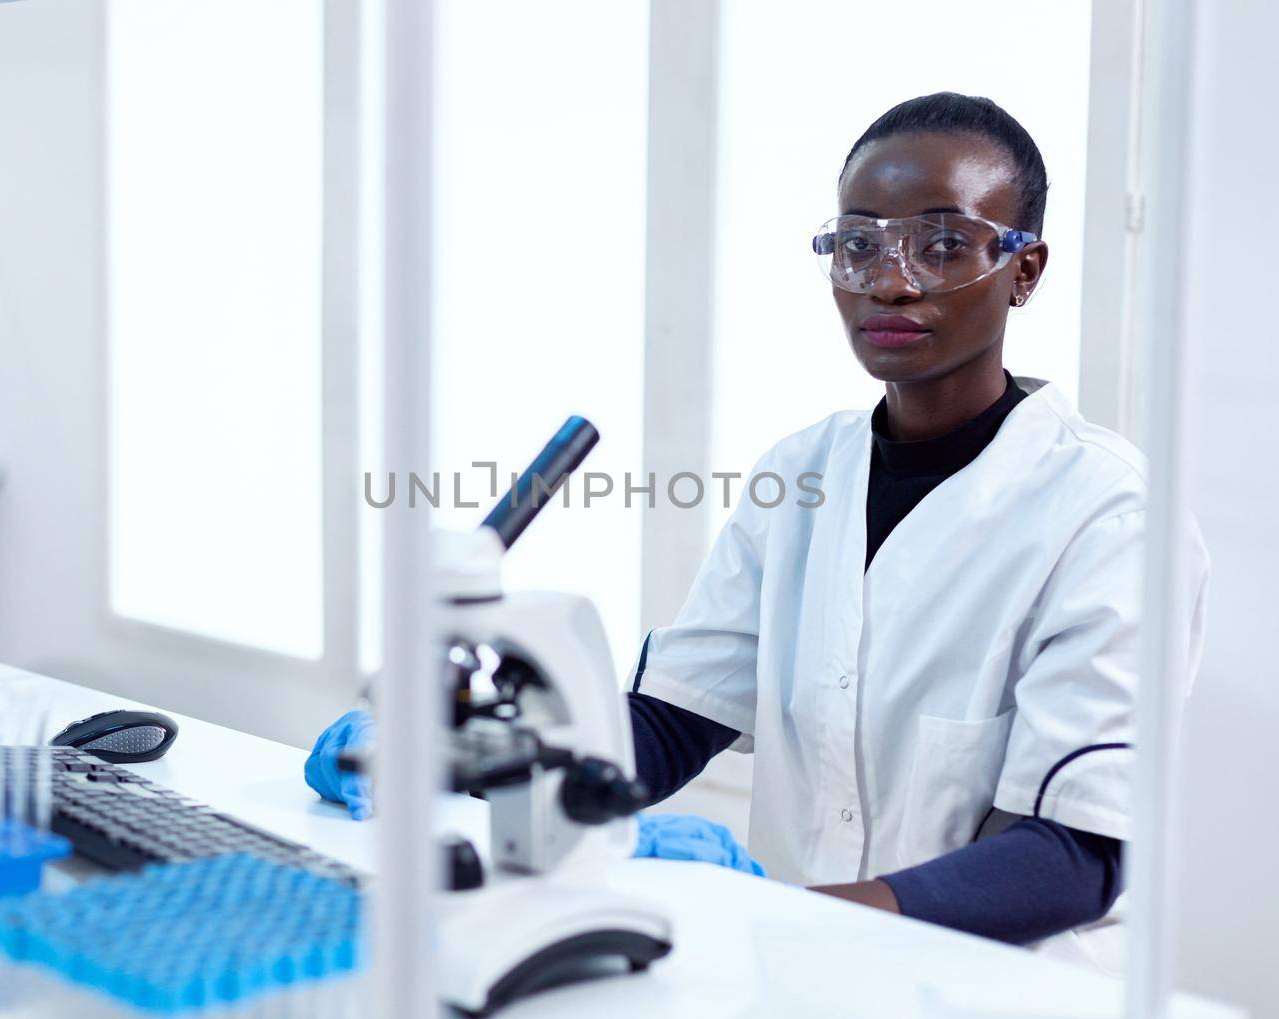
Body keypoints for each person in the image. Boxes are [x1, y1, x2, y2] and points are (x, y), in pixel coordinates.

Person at [308, 93, 1209, 969]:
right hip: (796, 970)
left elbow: (1076, 855)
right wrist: (459, 757)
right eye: (858, 243)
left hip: (1000, 986)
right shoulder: (800, 473)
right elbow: (668, 722)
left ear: (1025, 269)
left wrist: (780, 912)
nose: (891, 280)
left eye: (942, 243)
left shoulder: (1110, 517)